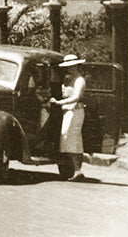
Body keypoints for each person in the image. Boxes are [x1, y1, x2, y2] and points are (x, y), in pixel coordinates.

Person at [50, 53, 87, 181]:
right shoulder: (68, 78)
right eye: (68, 66)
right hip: (67, 110)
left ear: (77, 66)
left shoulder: (79, 80)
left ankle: (77, 170)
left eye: (72, 66)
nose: (70, 68)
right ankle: (74, 170)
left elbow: (77, 97)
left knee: (70, 137)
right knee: (69, 138)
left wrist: (59, 102)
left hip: (75, 110)